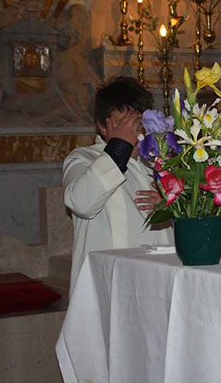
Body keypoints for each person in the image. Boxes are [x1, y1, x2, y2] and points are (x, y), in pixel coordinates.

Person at [63, 77, 172, 291]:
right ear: (102, 126)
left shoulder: (158, 165)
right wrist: (119, 146)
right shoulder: (84, 159)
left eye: (137, 123)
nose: (133, 131)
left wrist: (170, 207)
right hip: (111, 283)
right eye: (123, 124)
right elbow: (81, 202)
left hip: (159, 281)